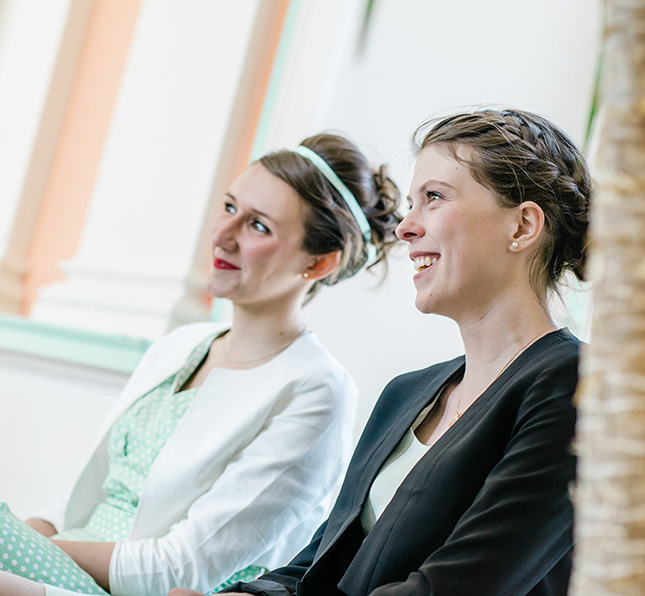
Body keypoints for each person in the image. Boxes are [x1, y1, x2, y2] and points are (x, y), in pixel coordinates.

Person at [0, 133, 402, 596]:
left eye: (259, 226)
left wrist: (16, 542)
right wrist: (9, 532)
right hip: (65, 555)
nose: (224, 234)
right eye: (230, 207)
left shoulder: (315, 389)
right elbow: (76, 503)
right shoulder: (179, 347)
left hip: (132, 589)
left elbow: (188, 568)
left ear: (320, 261)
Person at [168, 108, 593, 596]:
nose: (405, 227)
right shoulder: (406, 394)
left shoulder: (575, 386)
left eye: (433, 198)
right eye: (411, 203)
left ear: (522, 227)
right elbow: (315, 569)